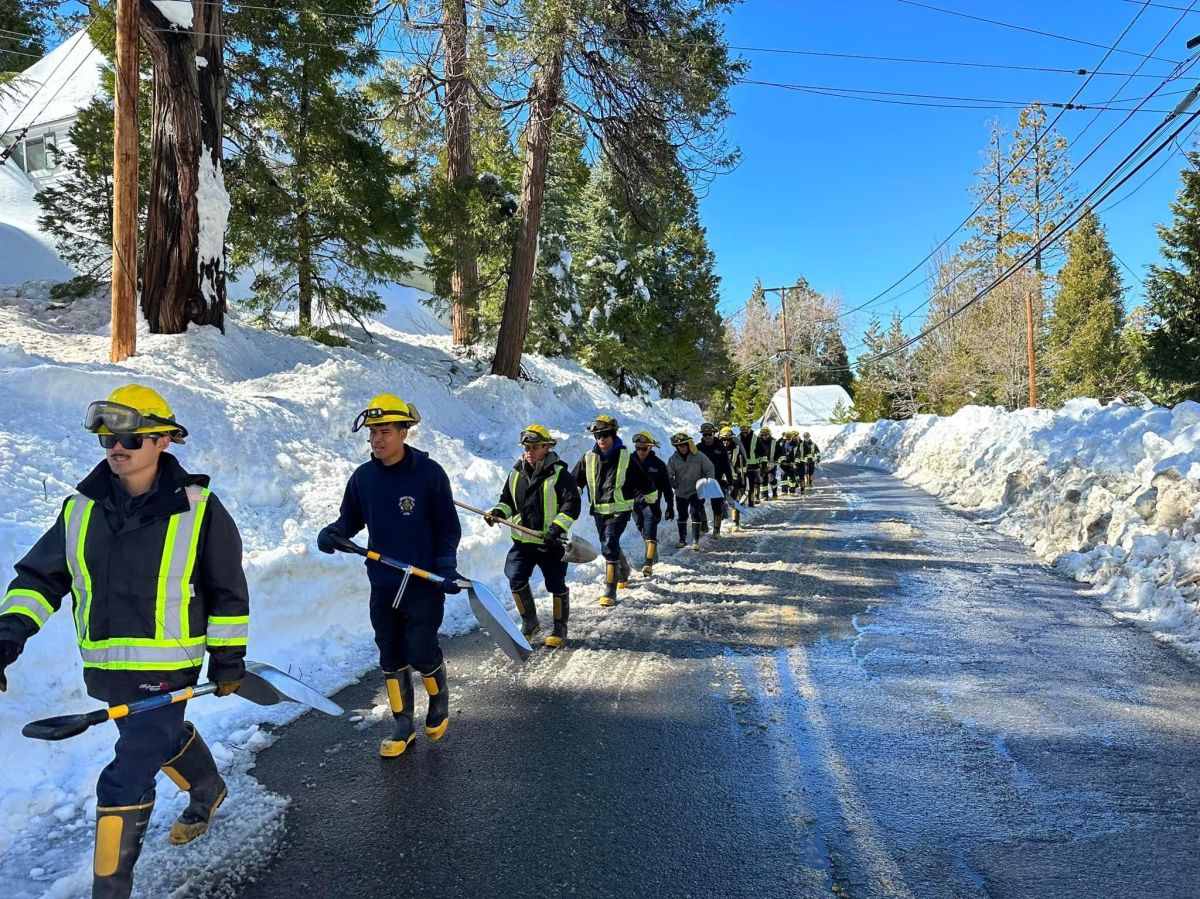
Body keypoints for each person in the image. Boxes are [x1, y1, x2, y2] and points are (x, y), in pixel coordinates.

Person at [0, 385, 250, 899]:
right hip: (108, 671)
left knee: (125, 774)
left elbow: (227, 591)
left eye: (131, 438)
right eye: (108, 439)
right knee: (156, 736)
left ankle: (109, 893)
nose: (117, 447)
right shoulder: (78, 511)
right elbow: (38, 580)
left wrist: (229, 661)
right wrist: (7, 636)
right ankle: (208, 788)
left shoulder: (200, 509)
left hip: (169, 665)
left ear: (162, 441)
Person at [317, 394, 462, 758]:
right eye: (372, 433)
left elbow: (447, 526)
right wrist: (334, 532)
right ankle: (402, 723)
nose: (376, 440)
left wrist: (446, 566)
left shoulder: (429, 474)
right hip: (383, 582)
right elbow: (350, 520)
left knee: (420, 649)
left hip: (423, 583)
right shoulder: (363, 479)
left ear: (404, 432)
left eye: (384, 431)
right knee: (390, 653)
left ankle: (438, 696)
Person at [485, 425, 580, 648]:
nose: (529, 451)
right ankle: (530, 623)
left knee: (556, 583)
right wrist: (498, 512)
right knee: (515, 576)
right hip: (522, 542)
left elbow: (571, 505)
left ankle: (559, 626)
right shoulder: (515, 473)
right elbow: (507, 500)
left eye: (535, 447)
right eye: (527, 447)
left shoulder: (560, 475)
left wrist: (555, 529)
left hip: (551, 544)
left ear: (546, 448)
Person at [572, 415, 653, 606]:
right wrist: (572, 494)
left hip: (620, 511)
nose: (601, 439)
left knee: (609, 542)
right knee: (609, 543)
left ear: (613, 434)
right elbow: (575, 480)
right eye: (597, 436)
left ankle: (610, 589)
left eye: (605, 435)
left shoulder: (626, 457)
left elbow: (644, 482)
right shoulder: (588, 458)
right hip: (599, 511)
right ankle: (624, 570)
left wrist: (651, 506)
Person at [630, 431, 673, 577]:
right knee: (642, 530)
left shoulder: (658, 465)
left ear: (650, 448)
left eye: (644, 449)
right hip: (634, 504)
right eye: (638, 448)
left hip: (652, 504)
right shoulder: (628, 461)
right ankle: (653, 555)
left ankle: (648, 564)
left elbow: (667, 487)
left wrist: (670, 506)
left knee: (650, 531)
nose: (641, 452)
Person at [667, 432, 715, 551]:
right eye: (679, 446)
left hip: (696, 491)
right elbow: (667, 473)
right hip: (681, 492)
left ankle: (695, 540)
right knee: (682, 515)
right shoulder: (673, 459)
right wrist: (671, 481)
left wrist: (708, 481)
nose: (681, 448)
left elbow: (710, 468)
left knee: (695, 513)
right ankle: (682, 539)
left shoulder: (698, 456)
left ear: (688, 445)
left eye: (683, 445)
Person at [695, 421, 732, 538]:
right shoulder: (698, 448)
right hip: (701, 480)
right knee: (698, 503)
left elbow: (727, 465)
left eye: (709, 434)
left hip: (716, 480)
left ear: (714, 434)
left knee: (717, 505)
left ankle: (716, 530)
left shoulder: (720, 447)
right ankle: (704, 526)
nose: (707, 437)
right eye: (705, 435)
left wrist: (730, 482)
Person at [718, 426, 747, 531]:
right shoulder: (717, 448)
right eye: (724, 440)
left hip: (733, 478)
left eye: (728, 440)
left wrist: (742, 476)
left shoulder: (736, 448)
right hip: (720, 478)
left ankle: (736, 523)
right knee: (720, 499)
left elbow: (742, 462)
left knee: (734, 500)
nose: (725, 442)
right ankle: (722, 520)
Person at [737, 424, 759, 507]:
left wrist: (763, 463)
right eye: (743, 432)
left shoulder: (755, 438)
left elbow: (761, 450)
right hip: (741, 465)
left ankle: (751, 502)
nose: (745, 433)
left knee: (751, 485)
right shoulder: (737, 438)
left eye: (746, 432)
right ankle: (741, 503)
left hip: (752, 466)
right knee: (741, 484)